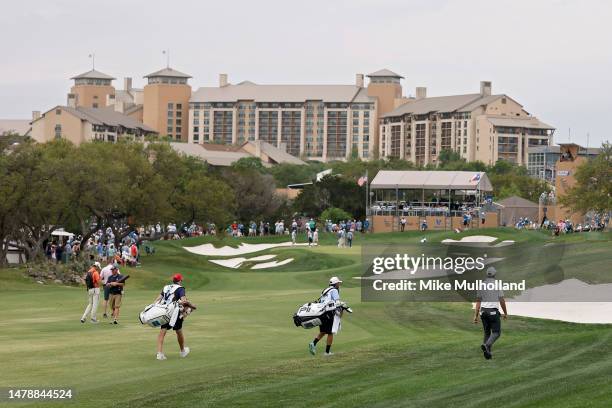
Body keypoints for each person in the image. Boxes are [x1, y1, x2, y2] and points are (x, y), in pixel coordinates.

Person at [473, 267, 508, 359]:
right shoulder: (497, 284)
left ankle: (488, 355)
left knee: (487, 333)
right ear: (494, 274)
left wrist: (475, 316)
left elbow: (478, 301)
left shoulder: (482, 285)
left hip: (483, 312)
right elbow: (501, 300)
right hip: (492, 312)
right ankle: (487, 345)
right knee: (496, 332)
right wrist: (505, 313)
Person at [155, 273, 190, 360]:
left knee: (162, 331)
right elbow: (184, 301)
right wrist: (188, 309)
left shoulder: (166, 287)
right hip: (175, 312)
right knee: (178, 331)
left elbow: (158, 299)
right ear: (180, 281)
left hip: (164, 311)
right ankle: (182, 351)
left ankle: (159, 354)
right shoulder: (180, 288)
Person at [309, 277, 343, 356]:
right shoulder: (334, 290)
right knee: (330, 333)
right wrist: (340, 311)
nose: (339, 284)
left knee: (323, 331)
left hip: (321, 313)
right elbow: (337, 302)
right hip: (329, 313)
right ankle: (327, 352)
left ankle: (313, 343)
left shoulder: (325, 290)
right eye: (338, 283)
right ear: (335, 284)